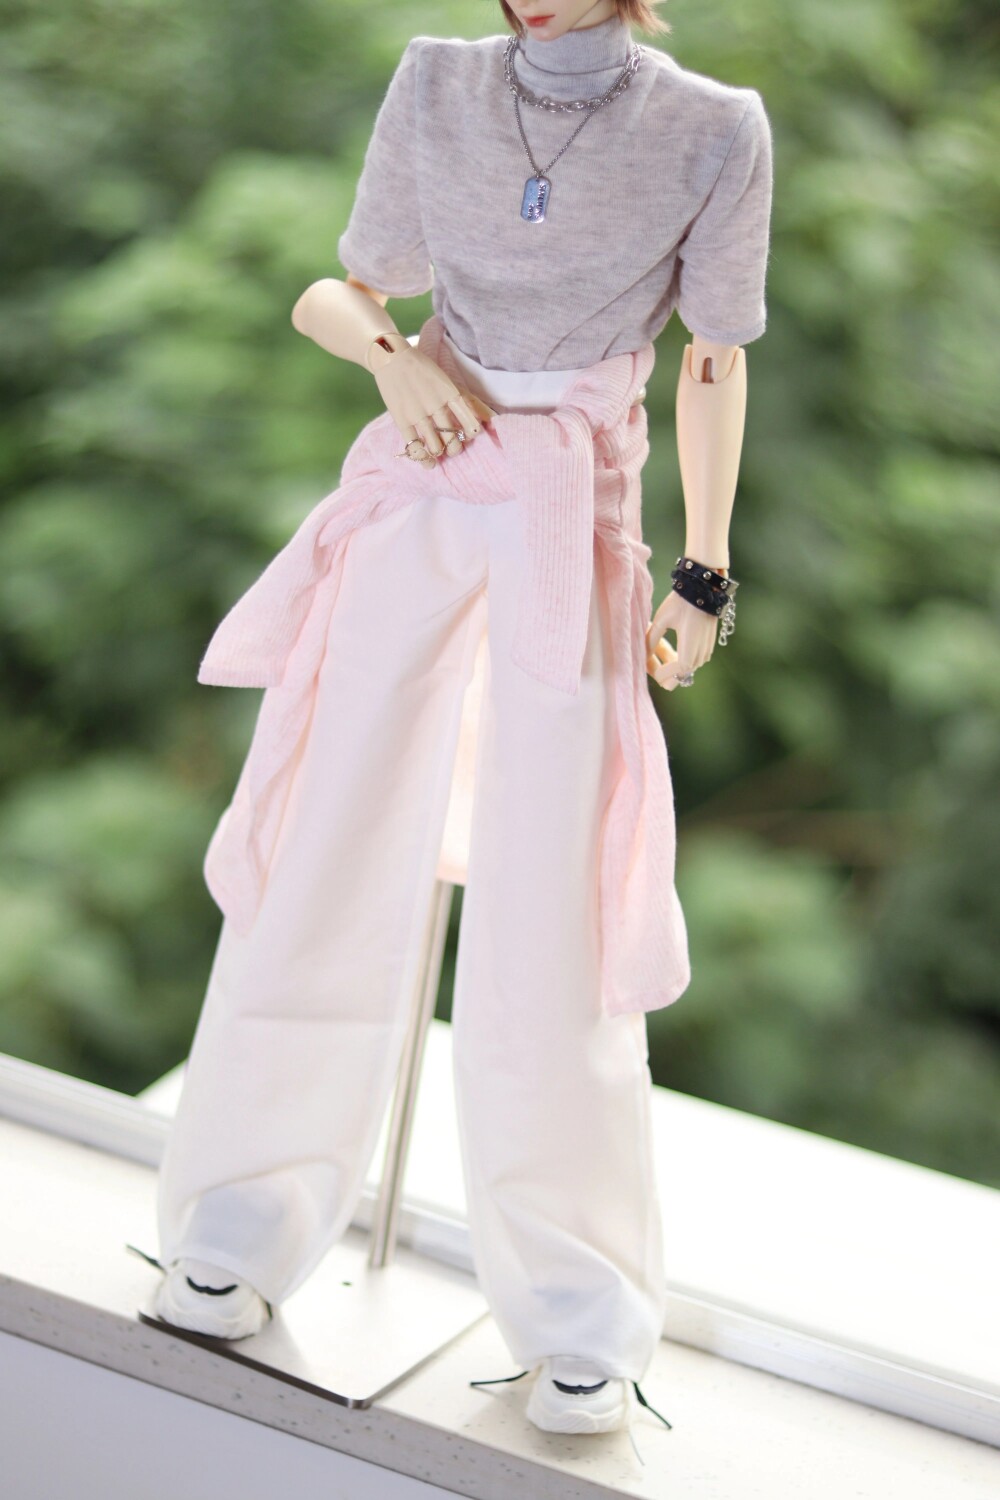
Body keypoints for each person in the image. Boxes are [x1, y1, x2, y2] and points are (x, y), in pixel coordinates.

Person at [144, 0, 773, 1443]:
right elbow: (339, 290)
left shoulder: (711, 128)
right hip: (423, 484)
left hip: (573, 516)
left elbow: (716, 359)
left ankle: (578, 1302)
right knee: (332, 846)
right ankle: (238, 1216)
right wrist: (393, 355)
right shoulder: (439, 82)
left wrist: (704, 570)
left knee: (552, 906)